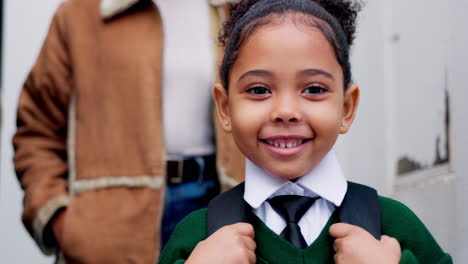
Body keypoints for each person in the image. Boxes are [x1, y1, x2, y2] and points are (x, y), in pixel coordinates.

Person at [158, 0, 453, 263]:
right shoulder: (196, 238)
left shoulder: (394, 226)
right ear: (225, 108)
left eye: (314, 89)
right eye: (259, 90)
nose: (286, 111)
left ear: (347, 107)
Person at [12, 0, 244, 263]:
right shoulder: (82, 12)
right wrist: (61, 220)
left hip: (217, 208)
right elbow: (37, 128)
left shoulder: (236, 9)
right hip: (112, 227)